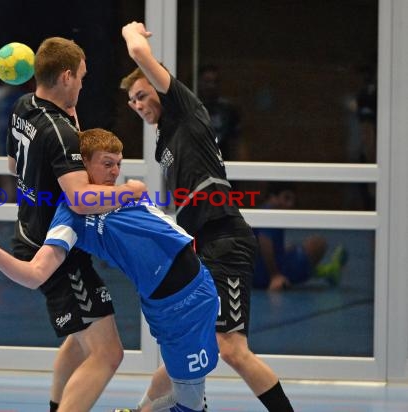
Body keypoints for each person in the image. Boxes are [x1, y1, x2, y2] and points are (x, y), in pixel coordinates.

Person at [0, 128, 220, 412]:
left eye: (118, 164)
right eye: (107, 163)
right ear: (81, 164)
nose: (114, 171)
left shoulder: (126, 192)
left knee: (184, 383)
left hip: (198, 286)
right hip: (168, 303)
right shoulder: (70, 215)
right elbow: (36, 273)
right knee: (189, 399)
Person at [119, 21, 294, 412]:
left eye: (142, 95)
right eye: (132, 102)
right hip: (199, 248)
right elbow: (177, 204)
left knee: (232, 350)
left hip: (226, 240)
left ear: (159, 86)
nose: (138, 105)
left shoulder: (185, 108)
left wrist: (133, 33)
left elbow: (138, 54)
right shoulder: (164, 140)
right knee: (183, 346)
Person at [5, 37, 146, 412]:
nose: (83, 84)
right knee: (108, 353)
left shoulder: (23, 107)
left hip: (31, 231)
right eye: (81, 77)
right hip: (55, 250)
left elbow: (13, 168)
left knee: (77, 339)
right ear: (66, 76)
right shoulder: (59, 131)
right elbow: (81, 198)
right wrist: (130, 191)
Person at [253, 182, 347, 291]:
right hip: (264, 276)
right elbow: (265, 242)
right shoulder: (270, 213)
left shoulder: (261, 210)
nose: (290, 204)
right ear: (272, 197)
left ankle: (325, 271)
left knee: (291, 247)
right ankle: (328, 271)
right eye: (286, 198)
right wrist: (275, 276)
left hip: (255, 274)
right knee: (318, 243)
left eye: (292, 200)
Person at [197, 64, 244, 161]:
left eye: (215, 82)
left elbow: (237, 143)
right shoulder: (191, 108)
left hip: (224, 164)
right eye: (207, 82)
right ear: (198, 83)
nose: (211, 86)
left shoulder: (228, 109)